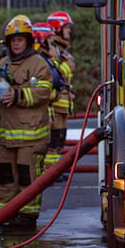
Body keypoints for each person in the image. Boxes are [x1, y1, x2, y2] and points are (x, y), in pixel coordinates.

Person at [0, 15, 53, 231]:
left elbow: (44, 91)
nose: (16, 43)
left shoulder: (38, 64)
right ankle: (6, 213)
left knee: (29, 178)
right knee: (6, 177)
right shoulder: (3, 63)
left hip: (30, 135)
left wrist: (16, 96)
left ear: (28, 40)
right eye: (12, 40)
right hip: (6, 136)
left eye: (20, 39)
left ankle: (28, 216)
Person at [43, 11, 76, 173]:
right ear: (57, 28)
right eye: (66, 28)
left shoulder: (60, 49)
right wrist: (67, 65)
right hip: (54, 105)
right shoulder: (51, 49)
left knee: (59, 140)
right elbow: (54, 74)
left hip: (62, 105)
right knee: (53, 141)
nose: (69, 31)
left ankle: (54, 171)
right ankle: (47, 172)